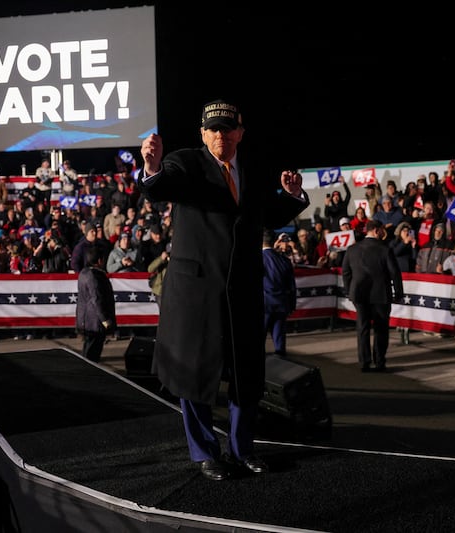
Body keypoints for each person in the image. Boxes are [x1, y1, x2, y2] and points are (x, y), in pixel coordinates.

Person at [138, 99, 308, 481]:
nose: (221, 135)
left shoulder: (252, 169)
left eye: (228, 129)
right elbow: (160, 186)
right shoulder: (186, 163)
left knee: (246, 376)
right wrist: (151, 167)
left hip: (244, 293)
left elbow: (268, 213)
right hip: (195, 295)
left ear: (240, 134)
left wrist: (293, 196)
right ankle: (204, 453)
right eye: (213, 129)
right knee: (194, 376)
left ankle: (242, 448)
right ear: (203, 134)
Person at [342, 220, 404, 372]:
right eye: (383, 230)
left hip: (359, 294)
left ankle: (364, 362)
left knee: (362, 328)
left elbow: (346, 272)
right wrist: (399, 292)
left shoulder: (352, 249)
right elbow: (395, 273)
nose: (384, 233)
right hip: (381, 294)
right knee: (381, 329)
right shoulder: (385, 249)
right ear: (376, 231)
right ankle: (379, 362)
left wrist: (349, 290)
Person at [75, 246, 116, 363]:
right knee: (92, 354)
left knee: (88, 350)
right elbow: (97, 299)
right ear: (99, 260)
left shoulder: (84, 273)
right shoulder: (94, 276)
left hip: (87, 320)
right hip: (94, 322)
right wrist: (105, 319)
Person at [262, 231, 297, 357]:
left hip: (264, 303)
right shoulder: (284, 260)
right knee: (279, 337)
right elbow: (292, 286)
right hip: (281, 302)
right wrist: (292, 304)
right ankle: (281, 362)